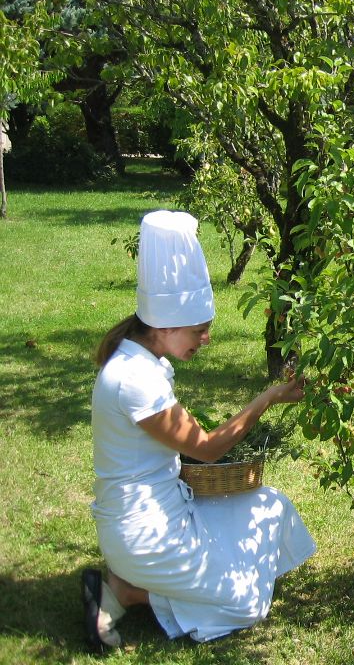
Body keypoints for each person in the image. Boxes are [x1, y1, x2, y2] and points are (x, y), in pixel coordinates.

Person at [83, 210, 316, 651]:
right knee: (247, 603)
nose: (205, 339)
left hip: (166, 510)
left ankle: (169, 584)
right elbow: (207, 449)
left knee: (269, 504)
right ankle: (126, 591)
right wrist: (267, 399)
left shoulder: (141, 361)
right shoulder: (135, 381)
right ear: (165, 326)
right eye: (199, 330)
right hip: (145, 535)